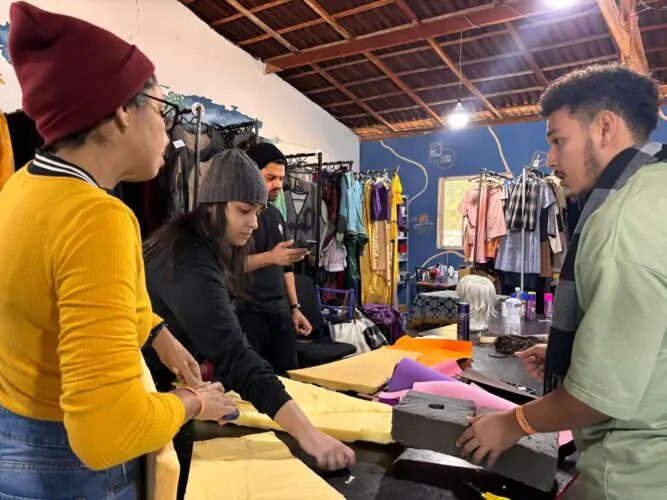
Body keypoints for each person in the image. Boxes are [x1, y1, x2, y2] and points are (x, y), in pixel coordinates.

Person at [0, 3, 236, 499]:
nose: (168, 131)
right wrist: (194, 403)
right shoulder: (97, 217)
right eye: (162, 111)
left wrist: (156, 333)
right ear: (120, 112)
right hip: (69, 470)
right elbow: (108, 432)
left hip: (16, 439)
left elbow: (60, 300)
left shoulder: (21, 187)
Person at [456, 63, 667, 500]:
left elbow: (598, 397)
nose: (551, 160)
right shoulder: (656, 192)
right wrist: (572, 352)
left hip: (636, 473)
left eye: (558, 140)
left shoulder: (621, 223)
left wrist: (512, 424)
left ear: (604, 127)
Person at [143, 149, 356, 497]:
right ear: (212, 205)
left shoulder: (202, 245)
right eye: (244, 210)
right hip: (137, 400)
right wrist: (308, 435)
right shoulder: (188, 256)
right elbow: (235, 356)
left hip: (159, 388)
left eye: (257, 211)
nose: (255, 223)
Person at [240, 142, 313, 373]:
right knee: (249, 382)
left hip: (280, 314)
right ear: (251, 174)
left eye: (281, 179)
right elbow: (229, 265)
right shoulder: (237, 213)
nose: (278, 185)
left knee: (287, 379)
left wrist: (295, 308)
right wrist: (271, 257)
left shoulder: (276, 214)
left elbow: (286, 268)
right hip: (249, 313)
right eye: (271, 178)